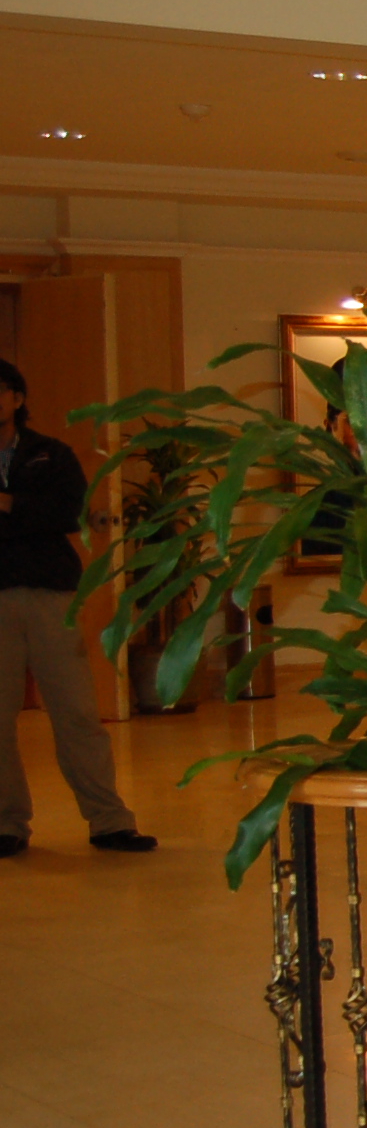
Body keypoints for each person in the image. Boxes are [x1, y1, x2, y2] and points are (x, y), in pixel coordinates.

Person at [0, 362, 149, 860]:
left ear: (17, 398)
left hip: (50, 595)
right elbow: (41, 515)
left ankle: (109, 821)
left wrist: (8, 506)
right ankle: (7, 824)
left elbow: (67, 513)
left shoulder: (50, 453)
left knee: (77, 712)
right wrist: (27, 512)